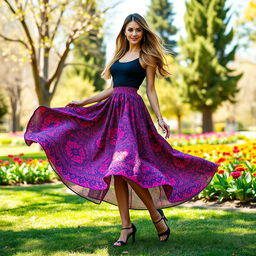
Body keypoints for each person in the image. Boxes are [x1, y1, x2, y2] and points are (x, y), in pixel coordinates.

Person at [24, 13, 219, 247]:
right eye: (130, 30)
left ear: (143, 32)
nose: (134, 33)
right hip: (112, 113)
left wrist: (160, 117)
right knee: (117, 171)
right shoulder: (118, 56)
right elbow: (111, 89)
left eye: (138, 29)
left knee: (124, 167)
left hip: (132, 115)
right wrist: (83, 102)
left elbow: (151, 91)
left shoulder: (147, 57)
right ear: (124, 32)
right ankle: (126, 227)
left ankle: (156, 217)